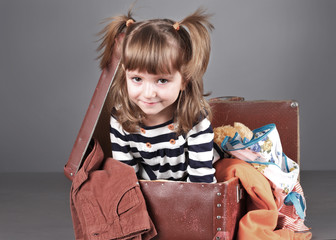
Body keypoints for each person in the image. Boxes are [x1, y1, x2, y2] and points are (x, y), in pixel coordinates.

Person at [97, 8, 222, 183]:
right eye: (137, 79)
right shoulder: (120, 119)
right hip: (151, 188)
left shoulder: (195, 120)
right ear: (125, 74)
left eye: (162, 80)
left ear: (184, 80)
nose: (148, 93)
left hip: (189, 184)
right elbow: (125, 181)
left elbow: (201, 185)